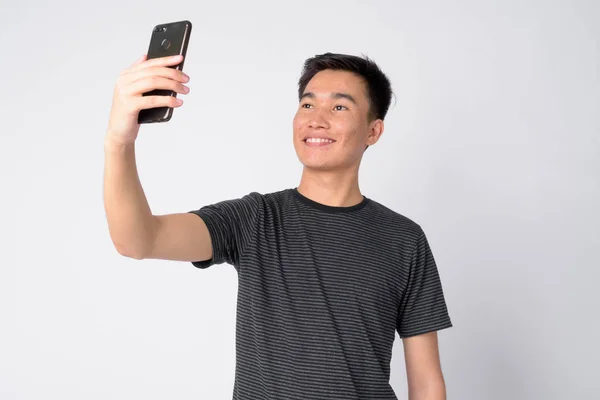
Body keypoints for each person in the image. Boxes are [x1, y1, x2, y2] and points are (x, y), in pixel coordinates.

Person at [104, 51, 453, 400]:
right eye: (307, 105)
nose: (316, 120)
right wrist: (119, 140)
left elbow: (426, 383)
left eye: (339, 107)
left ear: (373, 131)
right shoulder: (255, 219)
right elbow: (139, 240)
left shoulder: (404, 239)